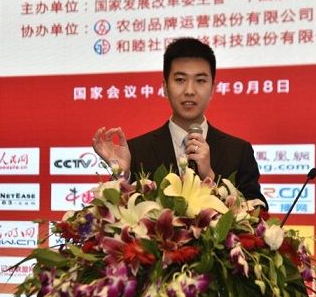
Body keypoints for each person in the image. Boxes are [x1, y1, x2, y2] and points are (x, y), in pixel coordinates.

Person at [92, 37, 266, 207]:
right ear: (165, 87)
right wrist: (122, 176)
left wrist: (210, 178)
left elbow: (258, 212)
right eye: (180, 80)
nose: (189, 91)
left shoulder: (238, 152)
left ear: (213, 88)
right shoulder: (136, 151)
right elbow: (113, 215)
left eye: (200, 81)